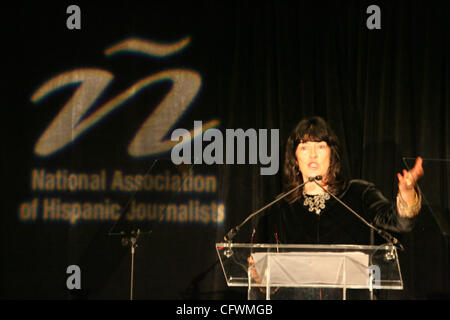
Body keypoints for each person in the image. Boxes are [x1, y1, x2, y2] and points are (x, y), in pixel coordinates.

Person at [249, 116, 424, 300]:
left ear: (332, 154)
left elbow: (400, 222)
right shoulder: (280, 208)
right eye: (304, 147)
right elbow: (267, 277)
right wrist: (261, 278)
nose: (313, 154)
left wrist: (407, 192)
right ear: (295, 158)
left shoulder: (358, 194)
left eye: (321, 146)